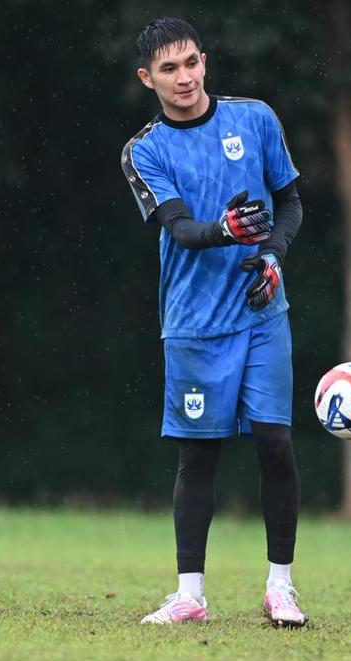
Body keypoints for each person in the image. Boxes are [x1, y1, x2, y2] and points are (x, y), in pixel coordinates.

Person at [120, 17, 307, 628]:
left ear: (205, 60)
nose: (184, 78)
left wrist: (273, 255)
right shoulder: (145, 150)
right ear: (148, 78)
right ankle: (190, 595)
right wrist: (224, 230)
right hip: (196, 324)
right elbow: (180, 229)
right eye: (168, 69)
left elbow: (291, 203)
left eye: (191, 63)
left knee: (276, 444)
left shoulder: (254, 118)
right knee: (198, 457)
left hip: (261, 313)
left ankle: (282, 587)